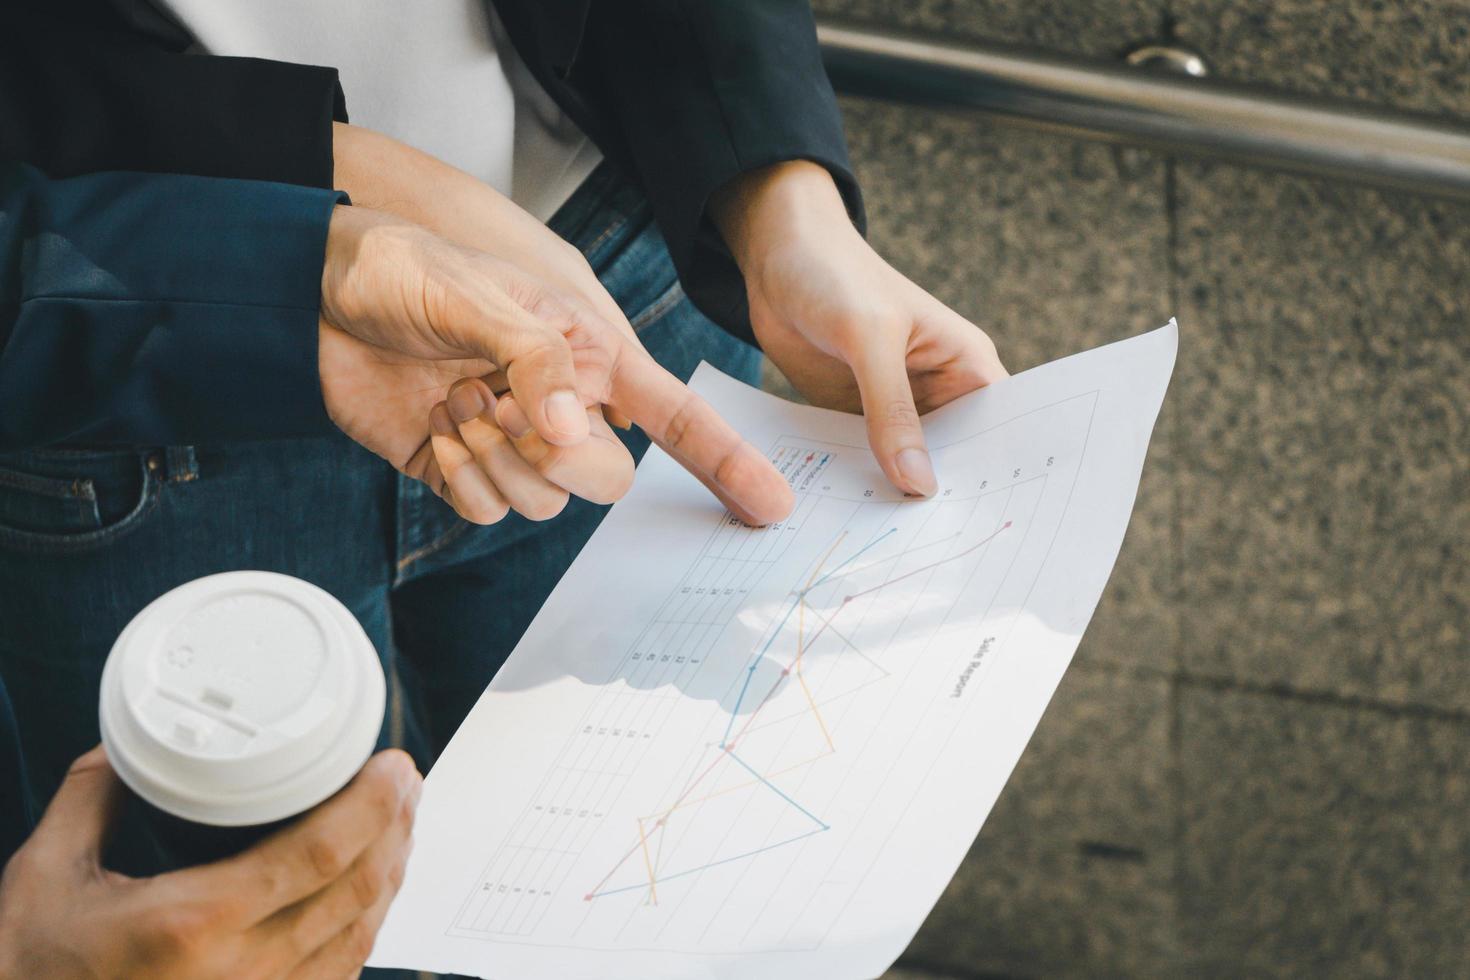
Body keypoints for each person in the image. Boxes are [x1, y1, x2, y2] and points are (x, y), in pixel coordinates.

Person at [1, 0, 1005, 926]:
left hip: (608, 279)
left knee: (648, 881)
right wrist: (326, 193)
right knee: (266, 927)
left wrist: (776, 187)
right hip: (117, 349)